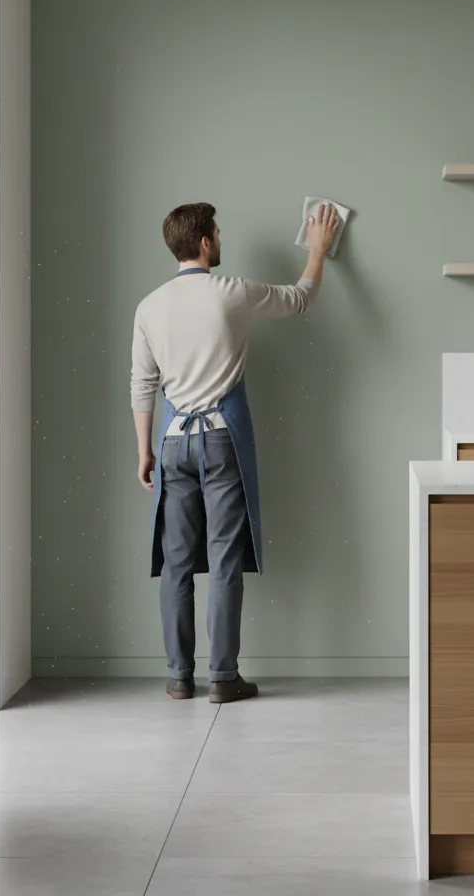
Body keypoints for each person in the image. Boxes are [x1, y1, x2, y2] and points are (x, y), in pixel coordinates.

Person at [130, 201, 341, 702]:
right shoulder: (233, 292)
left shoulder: (149, 306)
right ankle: (223, 679)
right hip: (221, 440)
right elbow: (301, 298)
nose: (221, 239)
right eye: (218, 233)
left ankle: (179, 676)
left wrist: (144, 452)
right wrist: (318, 251)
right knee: (224, 558)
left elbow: (142, 384)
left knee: (177, 564)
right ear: (204, 242)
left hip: (172, 443)